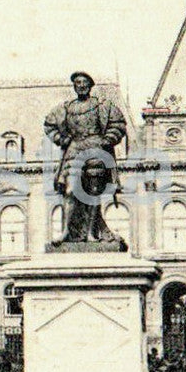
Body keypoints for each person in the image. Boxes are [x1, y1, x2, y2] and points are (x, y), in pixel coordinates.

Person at [42, 71, 128, 247]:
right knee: (70, 190)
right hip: (74, 149)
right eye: (77, 83)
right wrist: (62, 139)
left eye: (84, 82)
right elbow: (49, 125)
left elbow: (118, 124)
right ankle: (66, 232)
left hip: (96, 148)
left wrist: (108, 139)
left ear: (90, 86)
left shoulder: (102, 106)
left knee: (93, 192)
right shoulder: (65, 108)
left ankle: (90, 233)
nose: (80, 86)